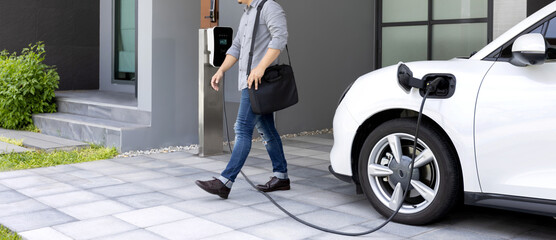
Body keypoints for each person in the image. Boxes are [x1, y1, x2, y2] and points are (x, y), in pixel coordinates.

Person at [195, 0, 290, 199]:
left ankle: (225, 182)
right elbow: (236, 46)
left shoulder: (270, 7)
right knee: (266, 128)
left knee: (242, 128)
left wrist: (261, 67)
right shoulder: (247, 14)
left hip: (259, 81)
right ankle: (281, 176)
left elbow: (280, 39)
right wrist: (220, 70)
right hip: (250, 81)